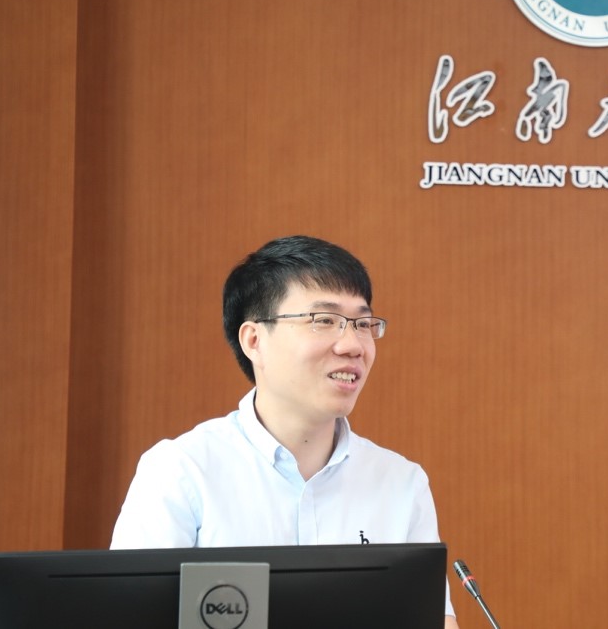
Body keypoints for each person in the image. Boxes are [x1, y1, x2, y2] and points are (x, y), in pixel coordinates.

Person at [111, 235, 459, 627]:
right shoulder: (182, 471)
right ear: (254, 340)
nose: (353, 345)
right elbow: (129, 617)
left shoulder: (402, 483)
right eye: (324, 321)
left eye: (363, 324)